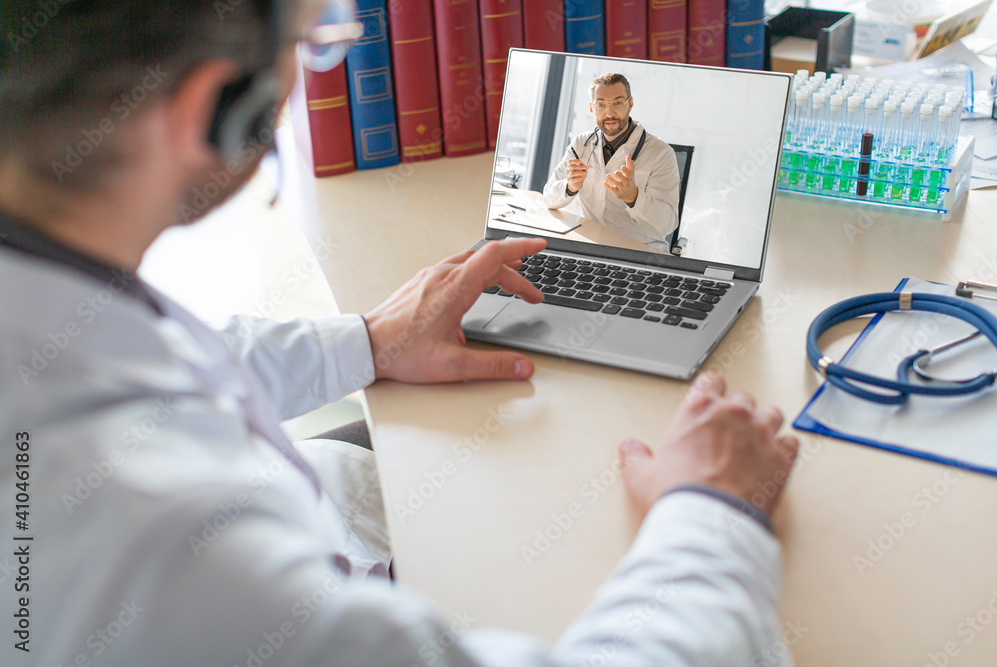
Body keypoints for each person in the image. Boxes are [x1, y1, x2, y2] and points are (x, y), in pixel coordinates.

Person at [0, 1, 800, 665]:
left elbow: (149, 355)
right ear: (215, 105)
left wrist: (367, 340)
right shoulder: (181, 556)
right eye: (310, 48)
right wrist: (710, 516)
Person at [543, 73, 681, 251]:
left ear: (630, 104)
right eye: (601, 105)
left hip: (641, 250)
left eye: (617, 103)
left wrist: (634, 198)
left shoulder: (661, 153)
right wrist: (569, 187)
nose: (609, 113)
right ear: (592, 109)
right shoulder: (581, 144)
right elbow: (548, 198)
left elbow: (667, 225)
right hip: (592, 245)